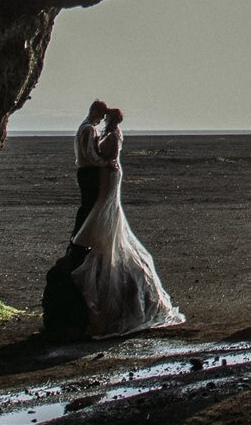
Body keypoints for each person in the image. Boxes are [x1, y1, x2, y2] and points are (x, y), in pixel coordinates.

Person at [70, 106, 185, 336]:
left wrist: (104, 163)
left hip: (109, 173)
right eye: (104, 116)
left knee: (103, 206)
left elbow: (106, 156)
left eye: (107, 118)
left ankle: (92, 238)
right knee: (99, 206)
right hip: (104, 172)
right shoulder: (94, 130)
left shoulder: (112, 134)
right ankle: (92, 237)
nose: (104, 120)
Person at [73, 100, 108, 237]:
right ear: (95, 112)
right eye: (101, 114)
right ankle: (80, 236)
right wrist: (104, 163)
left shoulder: (86, 127)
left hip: (85, 170)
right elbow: (89, 153)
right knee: (88, 205)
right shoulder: (88, 129)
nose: (102, 119)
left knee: (88, 205)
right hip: (88, 171)